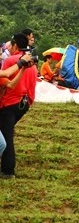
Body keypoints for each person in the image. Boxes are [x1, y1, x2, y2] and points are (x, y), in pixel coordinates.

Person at [0, 33, 38, 178]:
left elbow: (6, 81)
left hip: (9, 103)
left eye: (10, 45)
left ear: (15, 45)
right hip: (25, 103)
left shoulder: (10, 60)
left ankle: (8, 170)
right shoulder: (32, 63)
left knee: (6, 136)